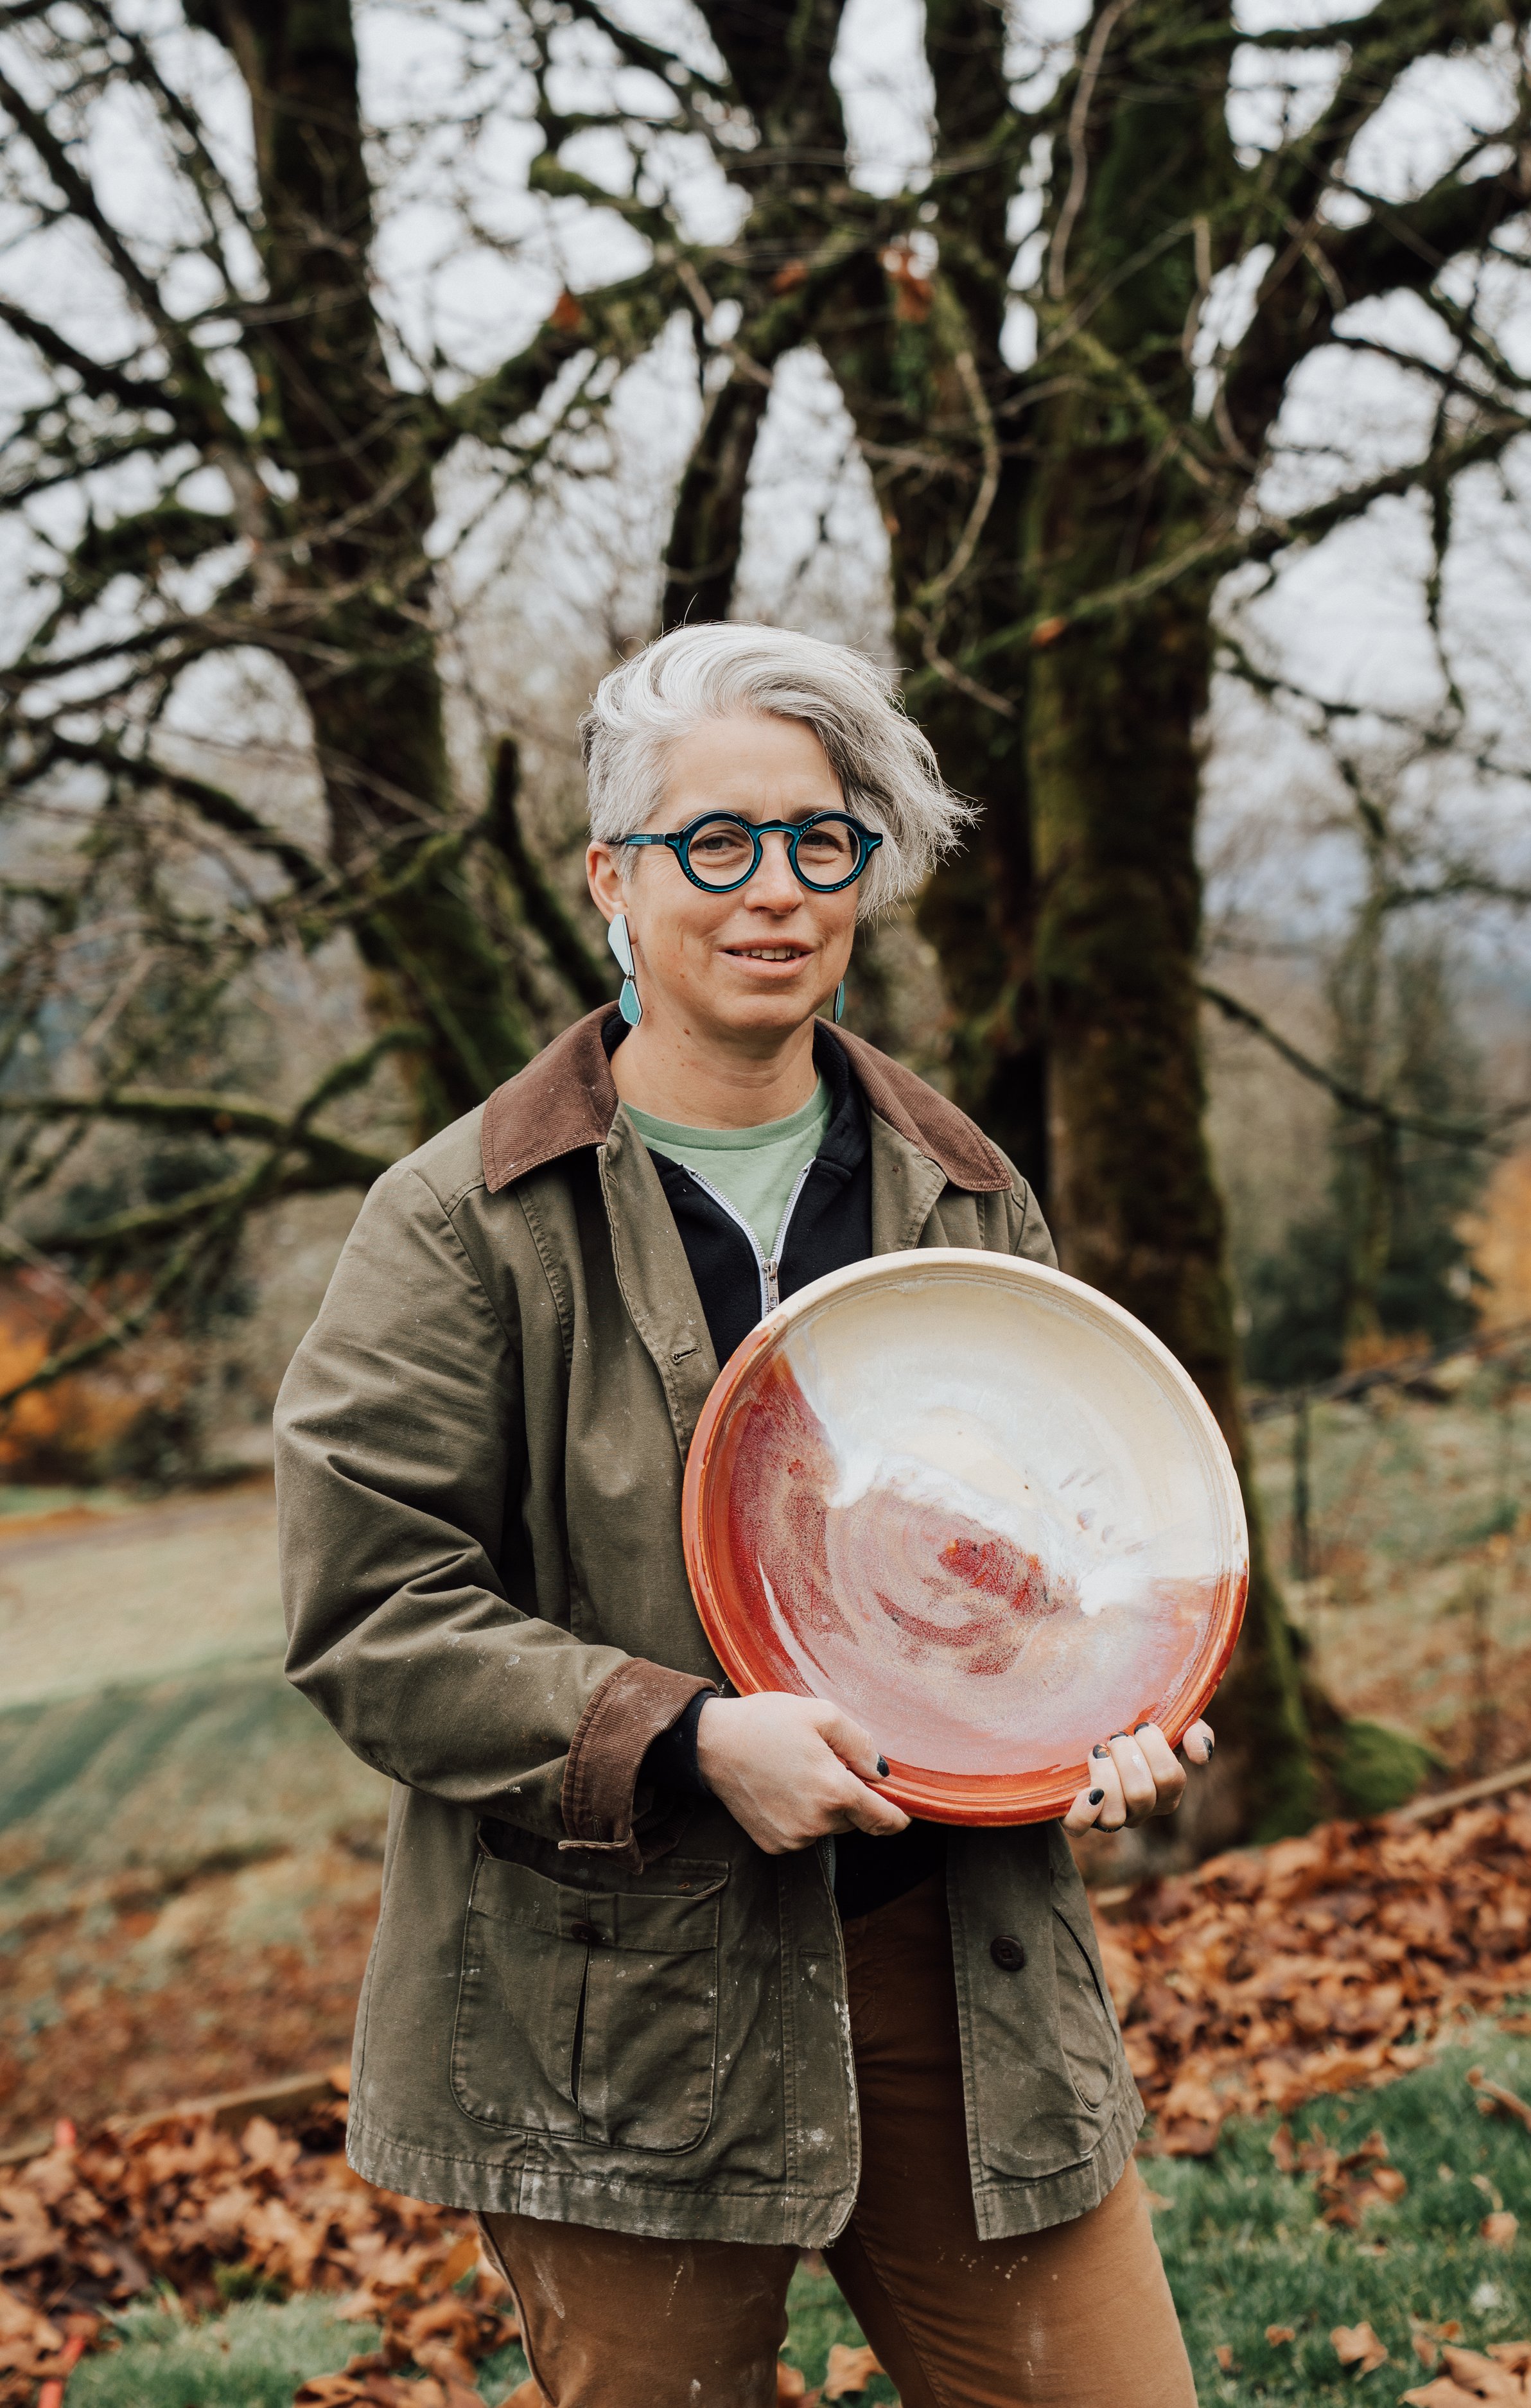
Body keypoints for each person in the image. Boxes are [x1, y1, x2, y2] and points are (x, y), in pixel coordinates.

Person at [276, 623, 1212, 2408]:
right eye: (716, 843)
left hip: (961, 1968)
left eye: (819, 838)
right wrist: (690, 1741)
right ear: (612, 880)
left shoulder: (960, 1191)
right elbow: (368, 1611)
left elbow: (1058, 1532)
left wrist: (1104, 1700)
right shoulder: (464, 1222)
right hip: (623, 2011)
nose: (772, 889)